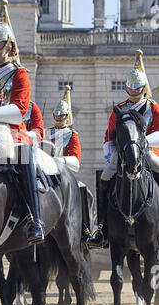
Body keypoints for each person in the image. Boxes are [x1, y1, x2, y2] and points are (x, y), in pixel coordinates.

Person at [0, 0, 44, 245]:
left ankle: (35, 220)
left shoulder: (20, 74)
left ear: (10, 47)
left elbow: (20, 109)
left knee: (25, 159)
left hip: (14, 134)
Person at [90, 49, 159, 248]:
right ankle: (101, 226)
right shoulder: (120, 109)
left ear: (144, 88)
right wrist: (111, 154)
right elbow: (109, 134)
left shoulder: (153, 109)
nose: (134, 90)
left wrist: (145, 144)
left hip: (150, 153)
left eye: (138, 87)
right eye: (131, 87)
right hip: (124, 155)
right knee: (105, 176)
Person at [47, 85, 94, 242]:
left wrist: (57, 160)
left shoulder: (72, 135)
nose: (58, 118)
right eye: (56, 115)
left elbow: (75, 162)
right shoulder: (45, 133)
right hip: (45, 173)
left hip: (64, 174)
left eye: (62, 115)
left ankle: (87, 230)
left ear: (68, 116)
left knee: (84, 193)